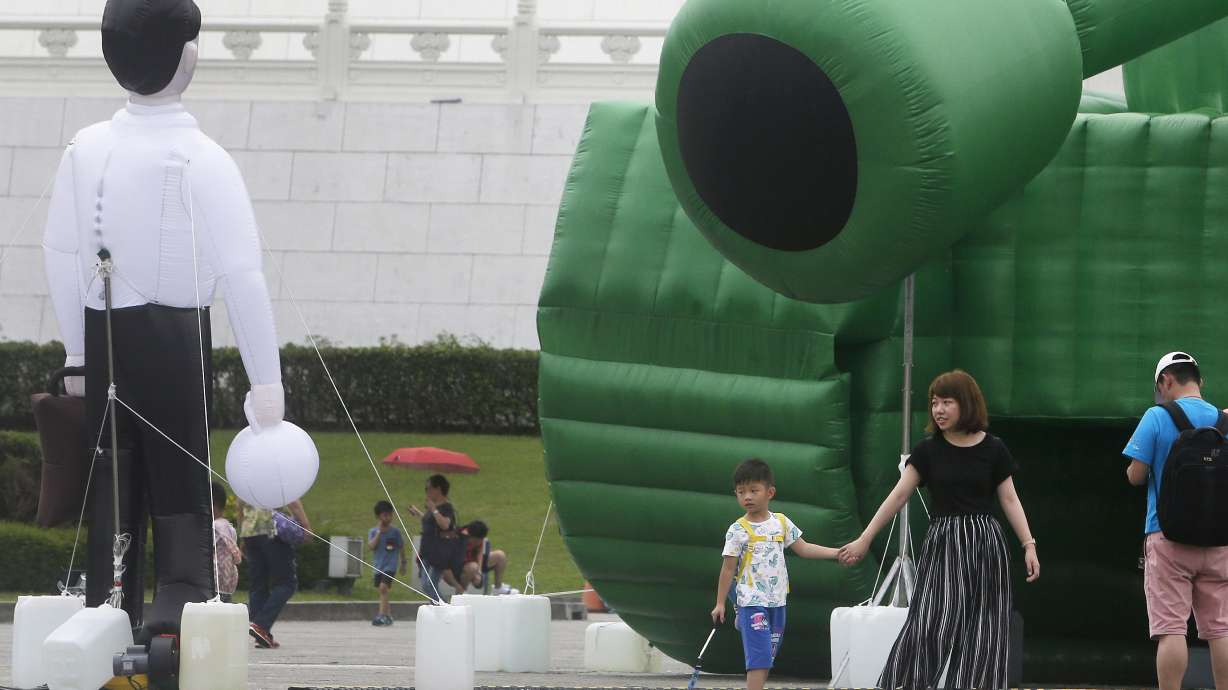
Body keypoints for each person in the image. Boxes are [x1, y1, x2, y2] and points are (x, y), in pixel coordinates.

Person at [41, 0, 289, 641]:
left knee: (113, 477)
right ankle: (179, 594)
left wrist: (75, 351)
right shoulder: (200, 156)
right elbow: (242, 273)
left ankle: (109, 596)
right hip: (174, 334)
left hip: (103, 338)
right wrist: (268, 382)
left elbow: (60, 250)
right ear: (190, 55)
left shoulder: (84, 148)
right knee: (181, 477)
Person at [839, 369, 1039, 690]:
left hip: (985, 545)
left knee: (983, 630)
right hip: (943, 544)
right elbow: (899, 495)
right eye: (934, 402)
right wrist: (865, 539)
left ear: (967, 404)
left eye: (947, 402)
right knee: (930, 622)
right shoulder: (928, 450)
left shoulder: (994, 449)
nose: (939, 410)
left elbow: (1010, 499)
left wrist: (1028, 544)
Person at [1123, 351, 1228, 690]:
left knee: (1172, 629)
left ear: (1166, 381)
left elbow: (1136, 476)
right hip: (1218, 538)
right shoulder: (1222, 419)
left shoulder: (1156, 415)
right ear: (1200, 381)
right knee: (1221, 629)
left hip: (1167, 535)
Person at [711, 458, 838, 690]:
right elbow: (728, 568)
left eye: (753, 490)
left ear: (770, 492)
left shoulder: (781, 522)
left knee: (768, 655)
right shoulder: (737, 530)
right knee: (759, 657)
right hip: (752, 601)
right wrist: (720, 603)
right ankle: (741, 613)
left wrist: (838, 553)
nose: (747, 497)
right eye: (741, 492)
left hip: (778, 602)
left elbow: (805, 548)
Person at [237, 498, 310, 649]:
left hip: (250, 532)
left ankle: (261, 634)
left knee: (258, 585)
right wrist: (306, 527)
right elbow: (292, 500)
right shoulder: (274, 473)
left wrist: (242, 533)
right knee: (287, 583)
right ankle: (261, 626)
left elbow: (240, 506)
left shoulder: (244, 475)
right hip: (272, 529)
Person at [407, 474, 464, 599]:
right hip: (427, 549)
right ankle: (440, 606)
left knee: (430, 584)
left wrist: (433, 509)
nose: (426, 492)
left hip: (439, 551)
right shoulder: (434, 507)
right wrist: (418, 513)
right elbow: (431, 523)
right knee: (425, 583)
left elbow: (444, 524)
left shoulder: (446, 507)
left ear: (438, 489)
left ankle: (443, 607)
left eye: (428, 488)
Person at [368, 500, 407, 626]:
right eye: (385, 515)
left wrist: (403, 563)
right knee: (383, 591)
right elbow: (371, 546)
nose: (388, 518)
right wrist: (379, 532)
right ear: (379, 516)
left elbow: (401, 547)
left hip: (390, 566)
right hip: (378, 566)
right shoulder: (373, 531)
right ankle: (388, 615)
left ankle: (382, 615)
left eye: (390, 515)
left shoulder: (395, 532)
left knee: (383, 588)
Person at [458, 520, 515, 595]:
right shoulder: (459, 539)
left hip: (473, 562)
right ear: (471, 537)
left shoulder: (477, 536)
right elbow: (458, 561)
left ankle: (498, 588)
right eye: (478, 540)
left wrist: (479, 572)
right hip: (461, 566)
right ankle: (461, 592)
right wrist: (474, 574)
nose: (480, 542)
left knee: (500, 555)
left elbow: (479, 554)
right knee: (473, 567)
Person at [211, 482, 242, 604]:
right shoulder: (229, 527)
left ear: (212, 505)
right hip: (228, 580)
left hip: (214, 580)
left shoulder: (214, 527)